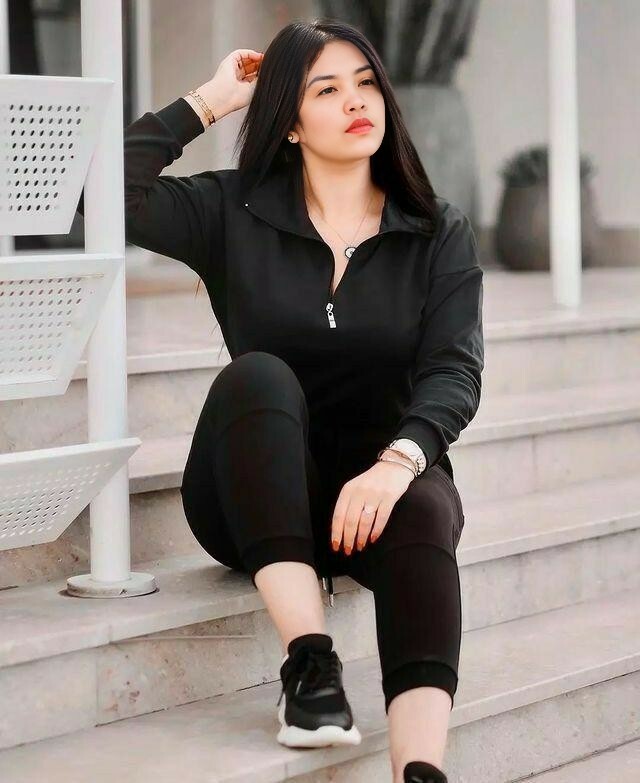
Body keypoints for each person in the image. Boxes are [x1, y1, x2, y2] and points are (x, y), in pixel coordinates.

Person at [105, 17, 484, 783]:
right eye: (327, 89)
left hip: (367, 499)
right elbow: (101, 193)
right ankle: (311, 669)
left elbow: (454, 369)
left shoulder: (434, 230)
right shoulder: (232, 210)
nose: (357, 101)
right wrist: (211, 101)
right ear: (289, 124)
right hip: (249, 493)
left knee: (426, 502)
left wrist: (397, 463)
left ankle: (421, 768)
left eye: (367, 83)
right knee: (260, 376)